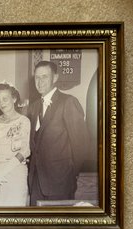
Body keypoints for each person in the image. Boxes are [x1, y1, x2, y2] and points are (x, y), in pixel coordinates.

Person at [28, 61, 89, 206]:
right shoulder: (33, 107)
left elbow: (81, 144)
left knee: (58, 226)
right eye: (37, 77)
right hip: (36, 182)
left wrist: (69, 174)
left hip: (60, 181)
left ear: (55, 78)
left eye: (44, 77)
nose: (40, 81)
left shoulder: (68, 102)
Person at [0, 83, 31, 207]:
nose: (1, 103)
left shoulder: (24, 121)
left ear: (14, 99)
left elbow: (25, 151)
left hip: (15, 171)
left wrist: (3, 171)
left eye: (5, 99)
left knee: (14, 214)